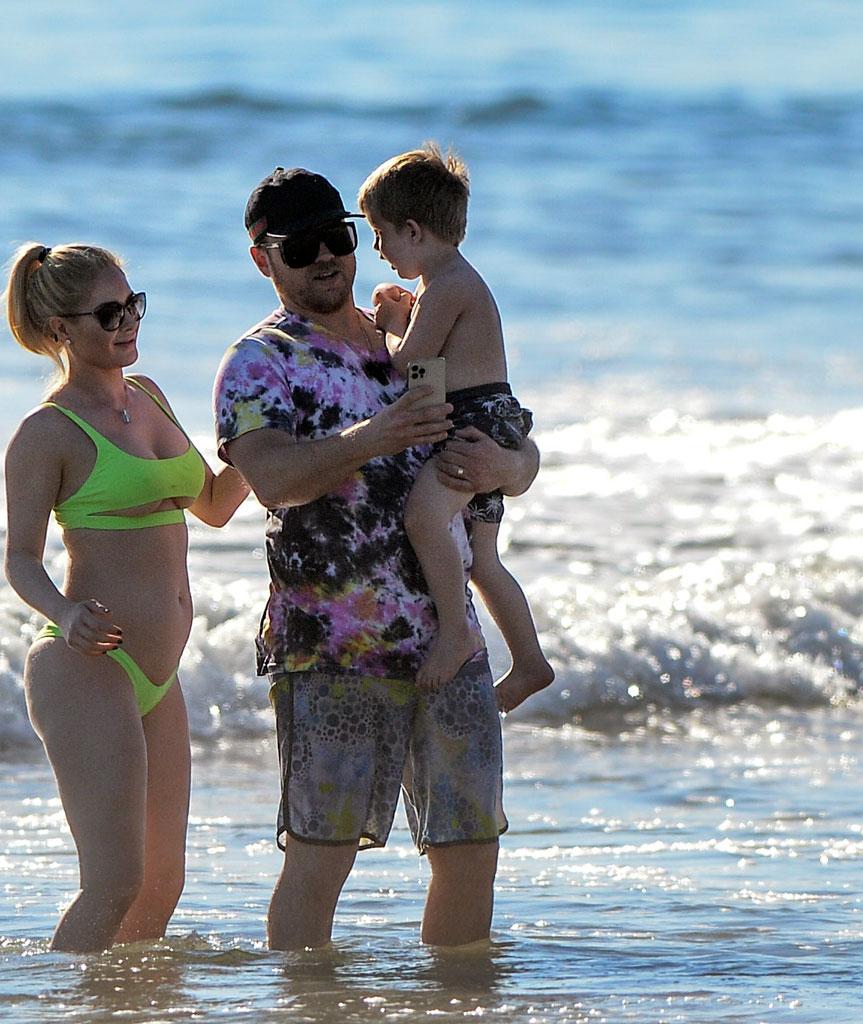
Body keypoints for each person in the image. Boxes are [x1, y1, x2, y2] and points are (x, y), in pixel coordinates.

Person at [214, 168, 541, 949]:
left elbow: (503, 440)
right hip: (334, 649)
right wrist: (379, 436)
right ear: (265, 260)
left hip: (447, 641)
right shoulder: (261, 362)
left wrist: (514, 467)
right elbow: (274, 480)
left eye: (340, 237)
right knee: (320, 857)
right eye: (302, 247)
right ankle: (305, 1004)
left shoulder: (409, 334)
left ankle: (456, 1003)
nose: (326, 257)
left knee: (470, 852)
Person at [0, 241, 249, 952]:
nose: (126, 322)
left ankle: (124, 1004)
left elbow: (214, 502)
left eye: (132, 304)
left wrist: (280, 443)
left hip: (158, 673)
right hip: (87, 667)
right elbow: (20, 560)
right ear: (59, 331)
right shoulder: (46, 433)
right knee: (112, 883)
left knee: (161, 884)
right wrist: (66, 612)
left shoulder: (151, 397)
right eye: (108, 313)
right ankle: (63, 1000)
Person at [358, 143, 555, 706]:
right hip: (487, 422)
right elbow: (429, 378)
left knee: (424, 518)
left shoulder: (447, 287)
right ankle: (530, 661)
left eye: (381, 234)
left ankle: (455, 632)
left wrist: (392, 321)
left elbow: (406, 361)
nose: (378, 249)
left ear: (414, 232)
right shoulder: (446, 284)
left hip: (475, 427)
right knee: (482, 559)